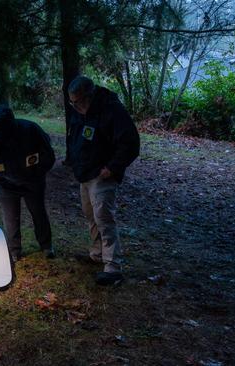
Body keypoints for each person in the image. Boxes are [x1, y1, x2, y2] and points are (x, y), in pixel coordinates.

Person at [66, 76, 140, 286]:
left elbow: (131, 143)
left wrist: (113, 167)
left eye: (78, 102)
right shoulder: (79, 111)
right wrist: (73, 160)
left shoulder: (112, 111)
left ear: (89, 96)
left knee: (104, 217)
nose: (75, 106)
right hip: (85, 173)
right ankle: (98, 253)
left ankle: (112, 266)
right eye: (72, 103)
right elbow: (74, 137)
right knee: (91, 215)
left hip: (102, 174)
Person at [0, 105, 55, 262]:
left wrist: (36, 173)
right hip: (3, 184)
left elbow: (48, 156)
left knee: (38, 212)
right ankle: (14, 251)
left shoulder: (31, 131)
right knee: (10, 217)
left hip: (32, 182)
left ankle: (46, 246)